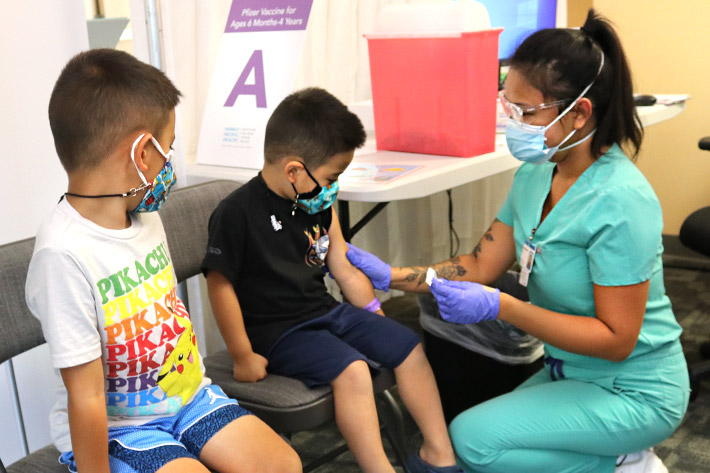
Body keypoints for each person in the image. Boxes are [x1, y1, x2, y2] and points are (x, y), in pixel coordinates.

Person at [345, 9, 689, 473]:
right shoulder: (535, 175)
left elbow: (617, 341)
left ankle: (625, 463)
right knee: (471, 446)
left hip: (634, 389)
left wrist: (502, 307)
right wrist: (395, 276)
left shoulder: (622, 201)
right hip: (566, 370)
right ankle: (603, 454)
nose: (514, 123)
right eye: (508, 107)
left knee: (472, 443)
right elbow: (481, 264)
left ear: (580, 113)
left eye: (525, 112)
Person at [25, 49, 301, 473]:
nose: (169, 163)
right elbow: (87, 397)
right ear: (141, 155)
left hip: (189, 399)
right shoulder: (62, 255)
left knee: (282, 465)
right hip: (122, 429)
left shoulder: (145, 216)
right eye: (167, 149)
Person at [201, 87, 461, 473]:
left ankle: (438, 455)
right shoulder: (236, 213)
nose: (334, 188)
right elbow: (219, 285)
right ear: (294, 170)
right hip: (276, 332)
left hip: (324, 312)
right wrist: (241, 355)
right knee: (353, 370)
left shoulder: (316, 201)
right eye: (331, 176)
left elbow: (342, 266)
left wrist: (374, 315)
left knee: (407, 345)